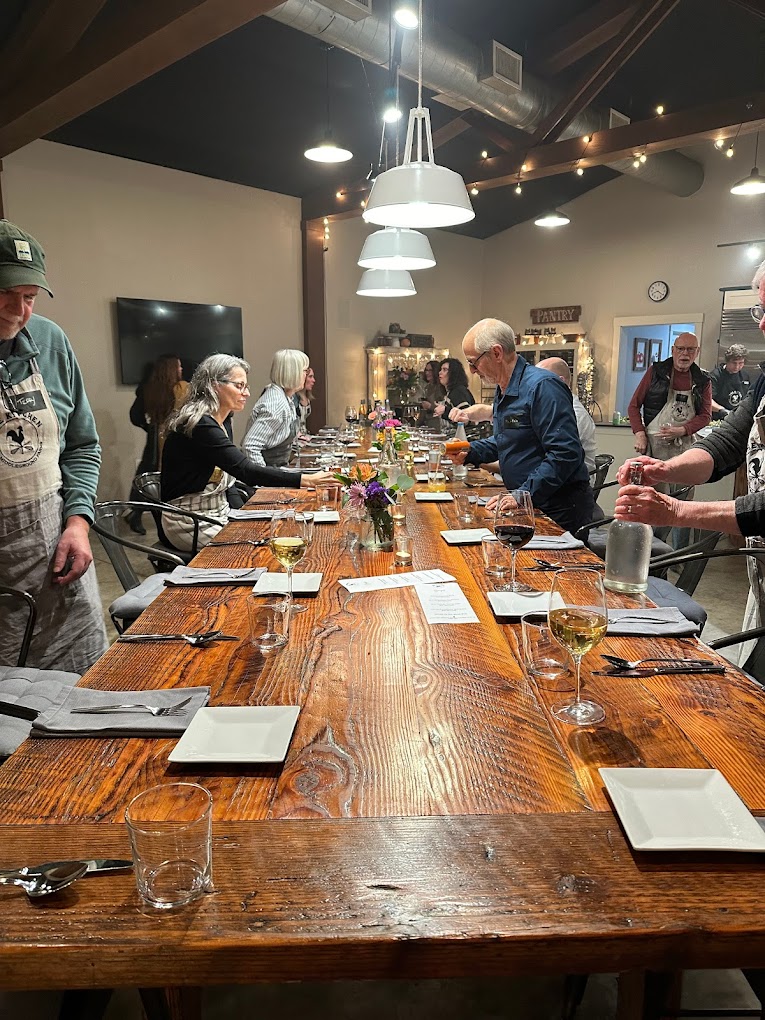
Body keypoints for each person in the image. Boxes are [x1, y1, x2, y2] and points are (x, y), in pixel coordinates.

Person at [614, 258, 765, 652]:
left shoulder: (702, 379)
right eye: (760, 310)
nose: (761, 324)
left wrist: (675, 511)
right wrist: (664, 468)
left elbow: (704, 419)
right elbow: (728, 441)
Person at [0, 219, 107, 673]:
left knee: (83, 690)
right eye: (3, 293)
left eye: (28, 297)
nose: (16, 311)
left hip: (59, 561)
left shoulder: (49, 340)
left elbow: (81, 444)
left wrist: (78, 522)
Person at [160, 354, 336, 551]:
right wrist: (305, 480)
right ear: (214, 385)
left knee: (279, 532)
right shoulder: (200, 424)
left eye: (246, 386)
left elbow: (230, 478)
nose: (246, 393)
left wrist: (244, 512)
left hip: (218, 512)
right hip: (190, 522)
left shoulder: (223, 419)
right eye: (239, 386)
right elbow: (245, 470)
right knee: (266, 548)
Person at [457, 318, 594, 533]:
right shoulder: (505, 387)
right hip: (530, 504)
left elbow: (565, 453)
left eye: (474, 362)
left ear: (496, 353)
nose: (472, 370)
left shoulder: (543, 387)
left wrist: (523, 494)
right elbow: (509, 440)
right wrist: (469, 451)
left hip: (556, 510)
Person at [127, 353, 189, 533]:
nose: (181, 370)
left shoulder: (149, 389)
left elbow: (135, 416)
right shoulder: (182, 389)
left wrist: (150, 428)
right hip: (172, 438)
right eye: (178, 367)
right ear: (171, 369)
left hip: (155, 438)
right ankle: (143, 515)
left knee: (146, 476)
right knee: (154, 476)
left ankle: (136, 514)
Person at [627, 332, 711, 462]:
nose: (685, 354)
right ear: (673, 350)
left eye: (690, 349)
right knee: (654, 480)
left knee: (684, 481)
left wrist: (682, 430)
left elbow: (705, 416)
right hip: (655, 444)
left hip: (685, 445)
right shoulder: (656, 372)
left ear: (697, 352)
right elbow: (633, 406)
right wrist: (639, 434)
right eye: (680, 349)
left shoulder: (703, 380)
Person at [242, 349, 307, 467]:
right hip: (268, 473)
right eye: (304, 370)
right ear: (294, 372)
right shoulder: (276, 403)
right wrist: (263, 478)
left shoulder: (286, 397)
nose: (305, 375)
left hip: (278, 469)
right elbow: (250, 446)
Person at [537, 357, 597, 474]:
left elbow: (557, 461)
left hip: (571, 484)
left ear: (560, 381)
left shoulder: (574, 413)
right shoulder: (554, 407)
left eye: (541, 381)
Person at [710, 343, 750, 420]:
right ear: (727, 361)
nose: (737, 366)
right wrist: (722, 410)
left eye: (740, 363)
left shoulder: (745, 376)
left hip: (737, 418)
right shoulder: (716, 375)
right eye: (734, 363)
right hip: (718, 418)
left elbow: (747, 399)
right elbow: (707, 400)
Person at [417, 359, 446, 427]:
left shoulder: (441, 388)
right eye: (426, 370)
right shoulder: (428, 387)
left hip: (438, 424)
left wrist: (430, 406)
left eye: (430, 370)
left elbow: (444, 407)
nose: (427, 373)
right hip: (427, 423)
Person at [293, 365, 315, 435]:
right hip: (295, 440)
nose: (313, 380)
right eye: (310, 377)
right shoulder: (293, 398)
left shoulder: (307, 397)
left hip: (305, 437)